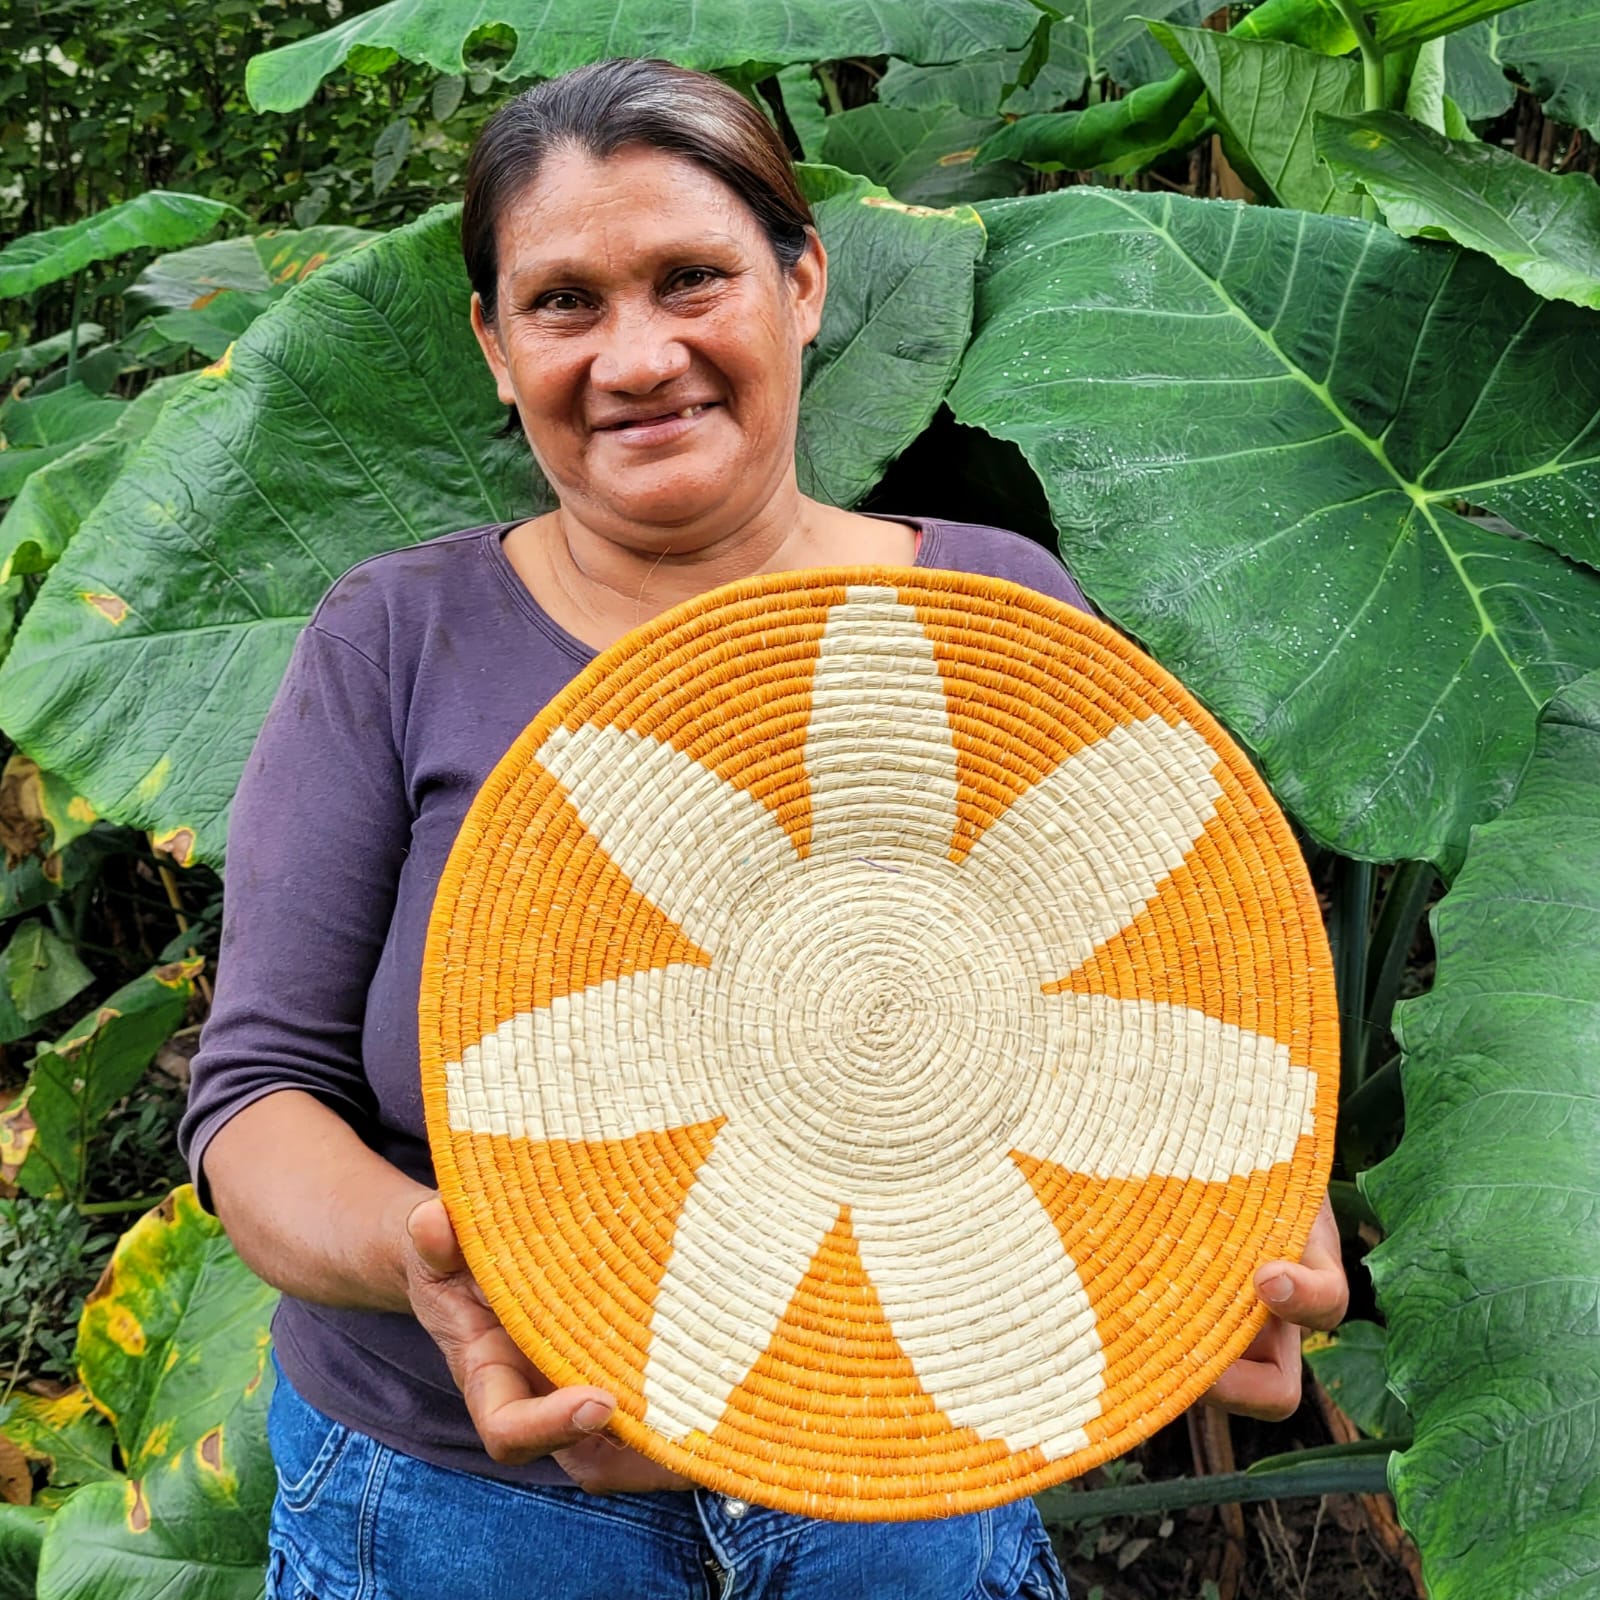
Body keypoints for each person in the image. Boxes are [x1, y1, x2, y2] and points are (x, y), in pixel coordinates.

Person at [180, 57, 1348, 1600]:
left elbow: (1199, 1000)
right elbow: (255, 1103)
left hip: (905, 1511)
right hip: (466, 1513)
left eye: (691, 278)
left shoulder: (993, 615)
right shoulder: (398, 641)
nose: (637, 354)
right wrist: (441, 1259)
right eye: (564, 303)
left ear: (804, 284)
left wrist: (1241, 1225)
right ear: (491, 341)